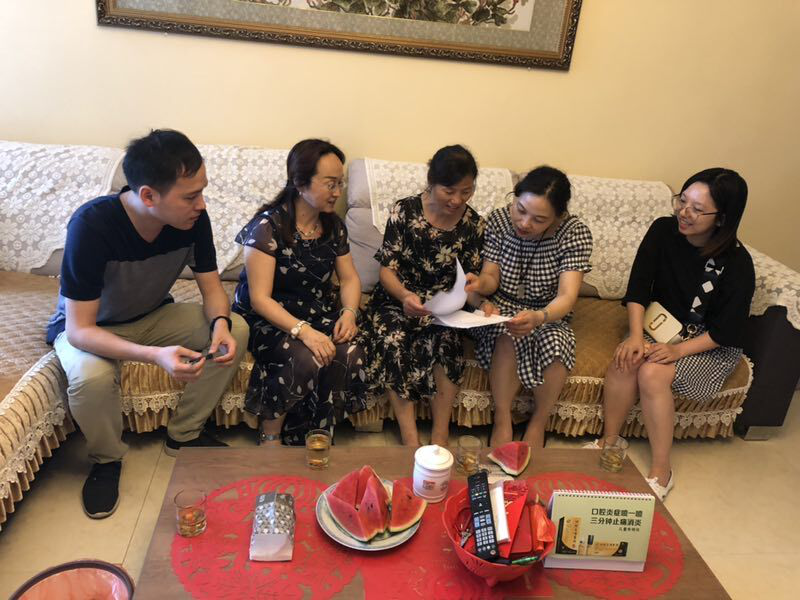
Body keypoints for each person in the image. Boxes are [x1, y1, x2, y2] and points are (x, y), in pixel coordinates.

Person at [47, 129, 249, 519]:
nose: (201, 204)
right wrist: (154, 355)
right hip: (93, 328)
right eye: (190, 196)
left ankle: (184, 435)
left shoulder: (193, 220)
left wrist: (221, 323)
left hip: (153, 315)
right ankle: (107, 460)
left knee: (237, 329)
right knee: (90, 379)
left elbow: (212, 290)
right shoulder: (92, 225)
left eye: (202, 192)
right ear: (148, 196)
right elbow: (79, 330)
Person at [594, 168, 754, 501]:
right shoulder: (663, 231)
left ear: (722, 218)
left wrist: (678, 351)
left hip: (707, 344)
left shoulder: (737, 263)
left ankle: (661, 471)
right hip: (659, 326)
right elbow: (638, 287)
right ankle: (608, 442)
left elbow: (726, 330)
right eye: (683, 201)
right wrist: (635, 336)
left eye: (697, 209)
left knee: (652, 373)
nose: (684, 212)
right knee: (627, 357)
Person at [232, 139, 368, 446]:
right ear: (299, 182)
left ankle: (317, 434)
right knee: (306, 356)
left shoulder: (333, 226)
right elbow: (259, 299)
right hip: (270, 318)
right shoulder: (267, 227)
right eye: (330, 184)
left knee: (349, 351)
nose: (338, 192)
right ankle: (271, 437)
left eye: (340, 183)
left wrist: (349, 313)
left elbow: (349, 279)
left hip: (315, 310)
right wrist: (303, 332)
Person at [361, 145, 486, 447]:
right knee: (393, 339)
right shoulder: (404, 211)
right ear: (431, 182)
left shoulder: (474, 224)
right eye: (449, 191)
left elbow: (470, 282)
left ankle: (440, 435)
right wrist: (405, 296)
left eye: (466, 191)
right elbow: (387, 270)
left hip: (443, 306)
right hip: (397, 300)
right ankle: (410, 439)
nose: (457, 200)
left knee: (447, 342)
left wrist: (481, 300)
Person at [466, 166, 593, 449]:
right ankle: (502, 419)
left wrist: (539, 317)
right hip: (503, 306)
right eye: (520, 210)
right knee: (507, 334)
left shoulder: (574, 233)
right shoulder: (499, 220)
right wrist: (479, 284)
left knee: (557, 343)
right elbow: (491, 276)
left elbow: (567, 296)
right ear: (514, 197)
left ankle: (538, 423)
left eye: (539, 219)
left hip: (548, 311)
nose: (524, 223)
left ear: (558, 217)